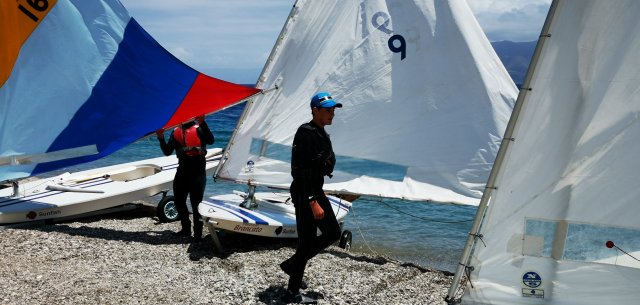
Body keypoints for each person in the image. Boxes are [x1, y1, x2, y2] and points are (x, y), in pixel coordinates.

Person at [280, 92, 343, 304]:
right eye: (328, 110)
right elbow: (299, 171)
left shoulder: (320, 132)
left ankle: (293, 265)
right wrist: (312, 201)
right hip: (305, 191)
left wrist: (317, 194)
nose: (332, 113)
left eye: (333, 110)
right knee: (307, 241)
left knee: (332, 233)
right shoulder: (305, 133)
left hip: (314, 189)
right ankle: (292, 291)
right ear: (315, 110)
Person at [156, 115, 214, 241]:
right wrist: (161, 137)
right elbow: (167, 151)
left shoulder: (199, 129)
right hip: (182, 171)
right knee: (179, 201)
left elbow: (210, 140)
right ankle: (186, 229)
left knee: (196, 204)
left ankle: (198, 234)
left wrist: (203, 122)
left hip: (197, 172)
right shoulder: (175, 131)